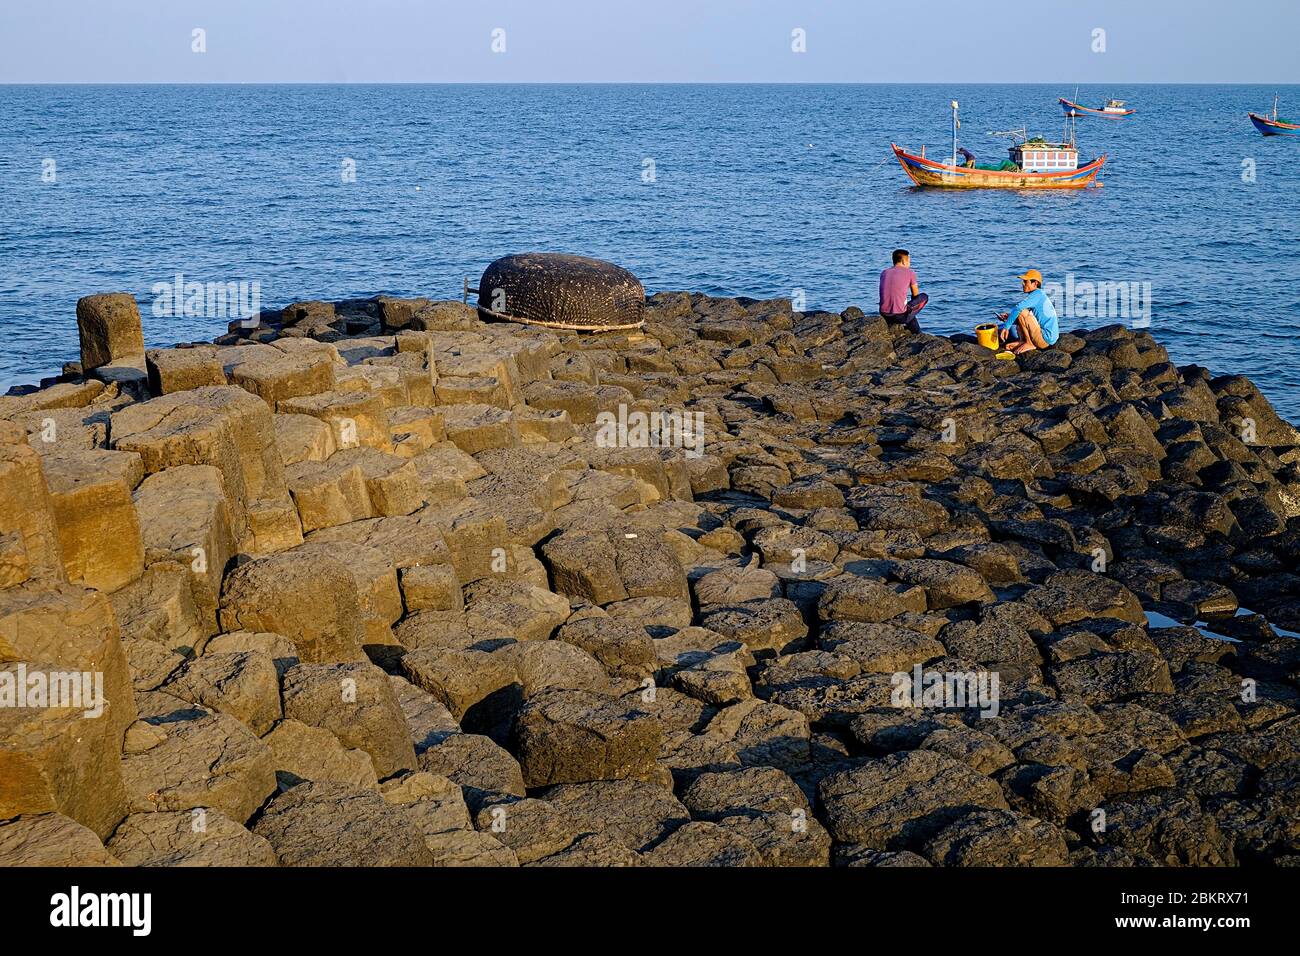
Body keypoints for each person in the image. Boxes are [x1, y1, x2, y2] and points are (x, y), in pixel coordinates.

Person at [998, 268, 1059, 353]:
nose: (1023, 284)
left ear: (1035, 283)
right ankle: (1024, 341)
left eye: (1026, 281)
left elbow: (1019, 308)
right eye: (1023, 281)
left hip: (1045, 339)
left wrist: (1006, 326)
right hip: (1047, 338)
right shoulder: (1039, 295)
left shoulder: (1038, 294)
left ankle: (1029, 343)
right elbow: (1028, 320)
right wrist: (1010, 319)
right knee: (1008, 346)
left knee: (1022, 311)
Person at [879, 249, 928, 333]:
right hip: (900, 316)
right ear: (903, 261)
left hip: (884, 314)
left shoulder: (884, 272)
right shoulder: (910, 273)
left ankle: (916, 331)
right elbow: (915, 295)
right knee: (924, 297)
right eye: (909, 261)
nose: (909, 263)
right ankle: (917, 333)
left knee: (910, 311)